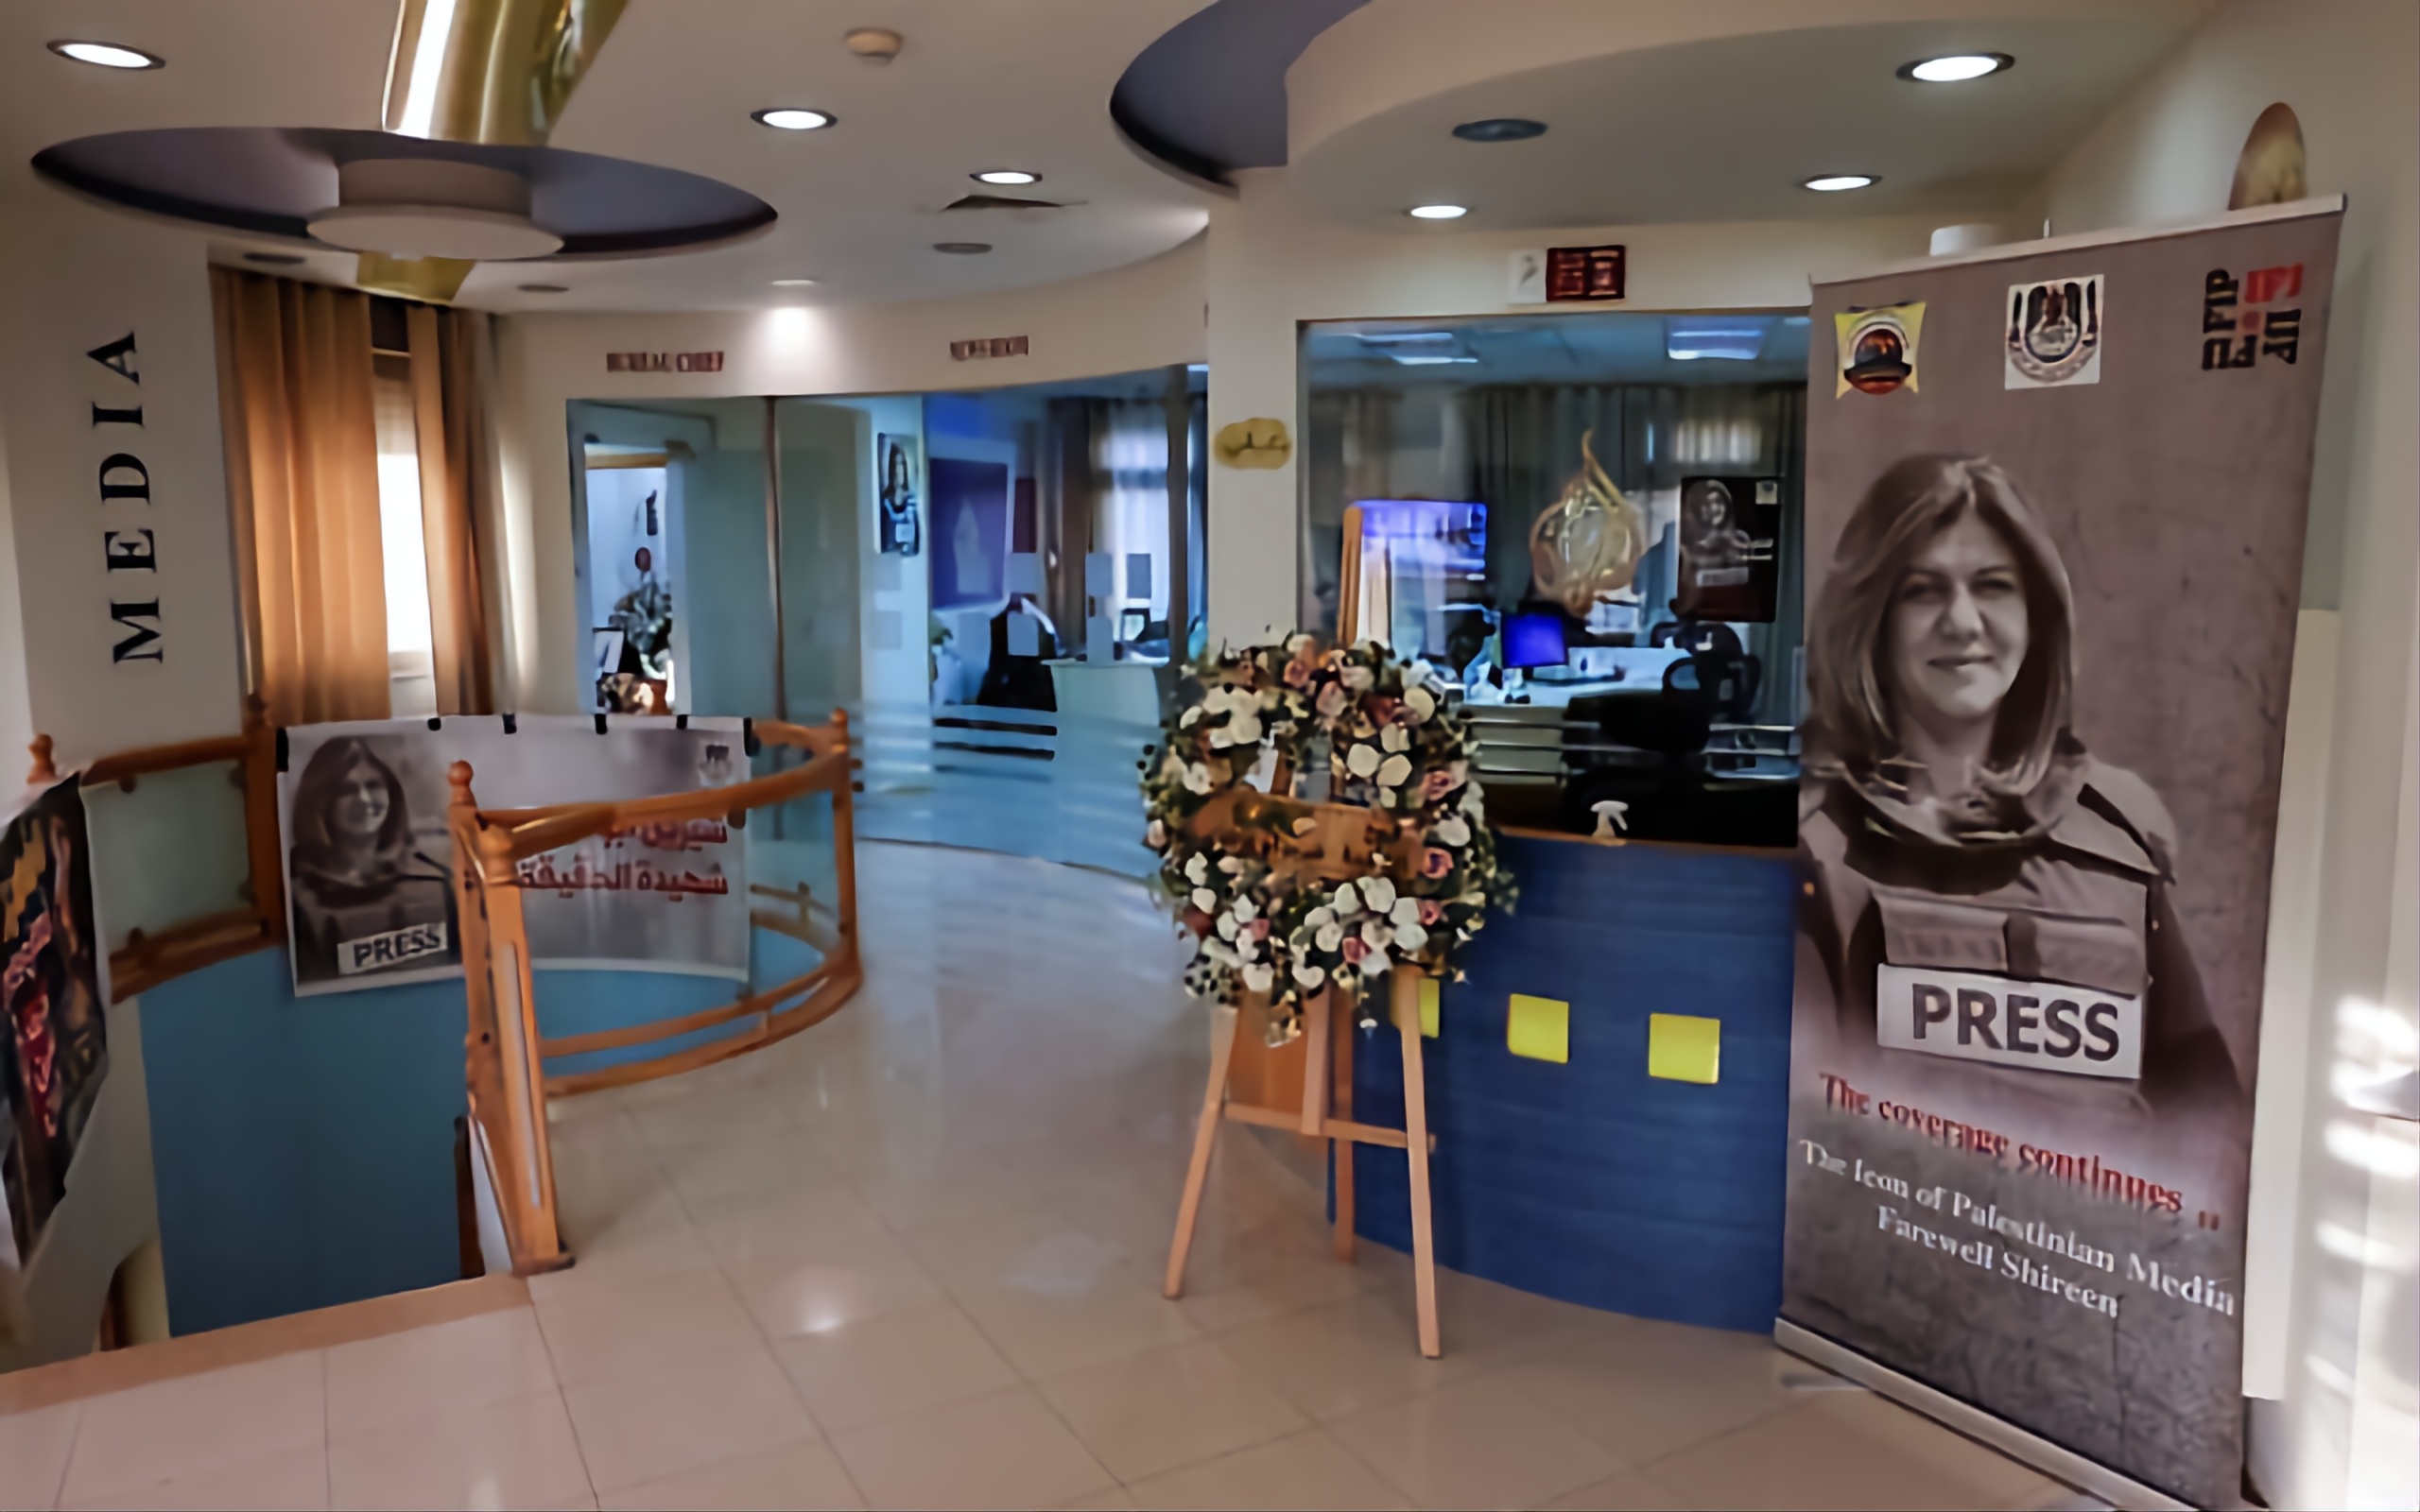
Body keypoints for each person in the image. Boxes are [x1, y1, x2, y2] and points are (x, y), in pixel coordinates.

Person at [1797, 455, 2239, 1111]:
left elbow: (2209, 1116)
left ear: (2037, 613)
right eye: (1923, 590)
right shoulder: (1812, 841)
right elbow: (1799, 1124)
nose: (1964, 622)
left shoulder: (2120, 830)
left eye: (1993, 586)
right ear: (1872, 618)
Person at [287, 739, 453, 985]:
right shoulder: (296, 898)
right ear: (319, 802)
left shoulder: (436, 883)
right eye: (346, 790)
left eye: (373, 786)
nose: (364, 800)